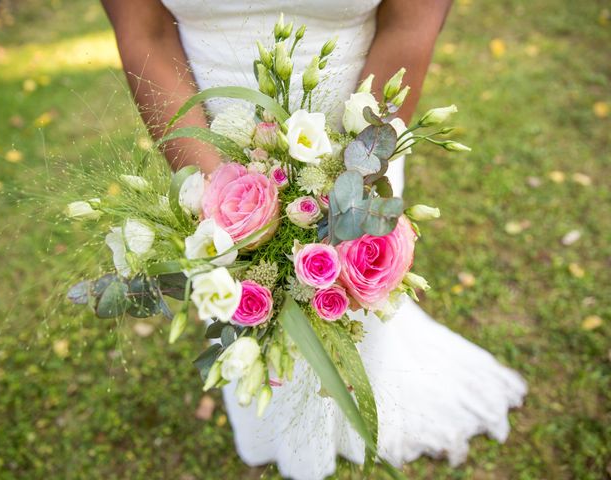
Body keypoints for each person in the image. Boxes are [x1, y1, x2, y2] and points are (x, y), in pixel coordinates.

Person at [102, 1, 527, 478]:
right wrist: (222, 199)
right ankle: (269, 421)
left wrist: (353, 180)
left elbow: (409, 23)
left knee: (352, 298)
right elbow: (146, 32)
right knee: (250, 304)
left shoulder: (359, 160)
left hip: (361, 137)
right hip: (207, 141)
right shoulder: (215, 185)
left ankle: (357, 408)